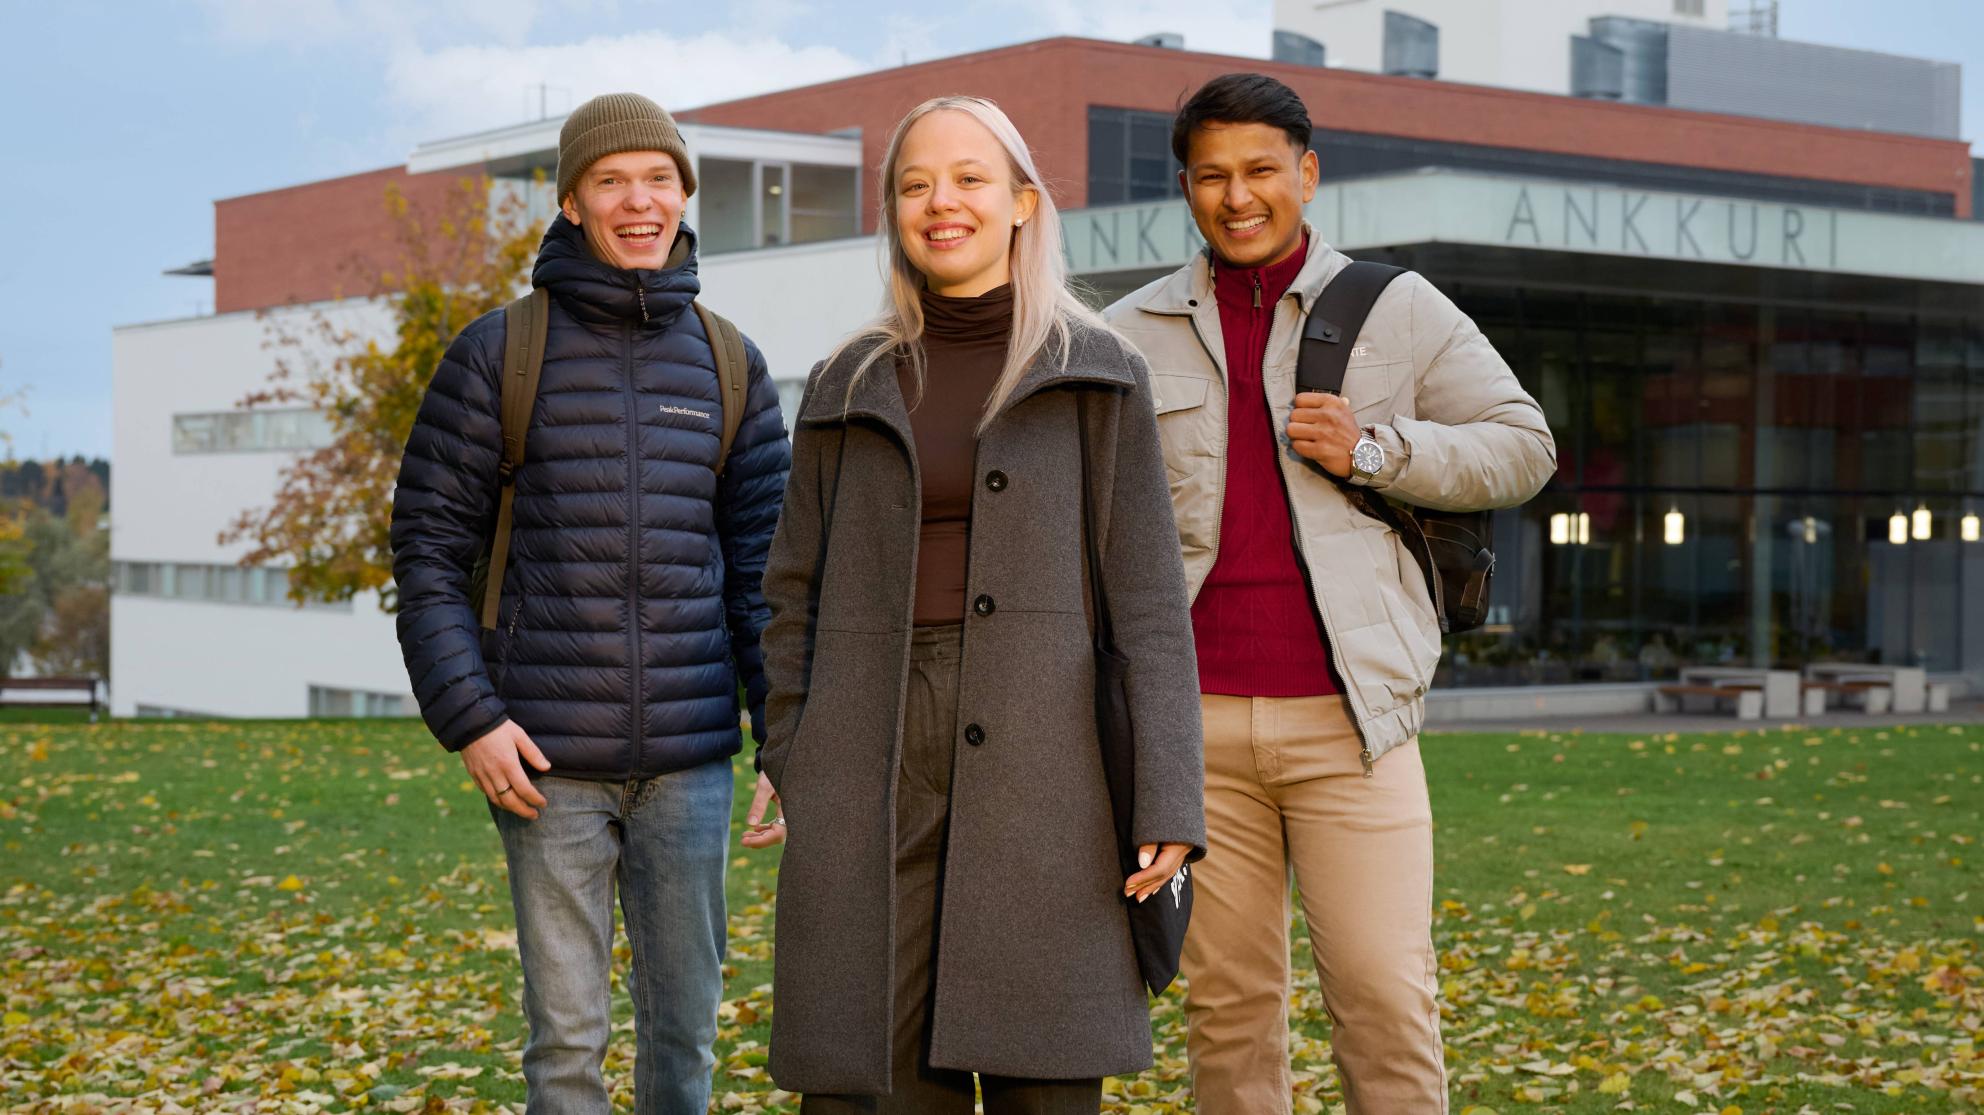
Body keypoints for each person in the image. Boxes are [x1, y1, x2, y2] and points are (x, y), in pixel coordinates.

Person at [742, 95, 1205, 1114]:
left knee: (1042, 1065)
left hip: (1053, 753)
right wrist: (790, 744)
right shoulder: (843, 381)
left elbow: (1149, 604)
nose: (938, 202)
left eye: (966, 179)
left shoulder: (1099, 374)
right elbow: (790, 589)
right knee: (868, 1065)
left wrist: (1169, 793)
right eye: (914, 184)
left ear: (1022, 204)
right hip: (869, 736)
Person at [1104, 73, 1557, 1114]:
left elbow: (1522, 446)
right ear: (1185, 187)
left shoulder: (1396, 308)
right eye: (1211, 176)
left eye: (1261, 170)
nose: (1237, 195)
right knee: (1227, 1014)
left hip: (1357, 727)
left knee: (1386, 1001)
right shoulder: (1125, 332)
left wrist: (1377, 448)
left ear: (1306, 175)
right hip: (1193, 736)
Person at [389, 93, 790, 1114]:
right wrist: (469, 717)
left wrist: (781, 739)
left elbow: (764, 574)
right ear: (571, 200)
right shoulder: (497, 354)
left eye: (659, 177)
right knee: (565, 1044)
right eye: (611, 180)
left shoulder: (730, 363)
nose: (638, 200)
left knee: (684, 1038)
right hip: (543, 765)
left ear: (685, 195)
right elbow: (428, 550)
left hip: (692, 766)